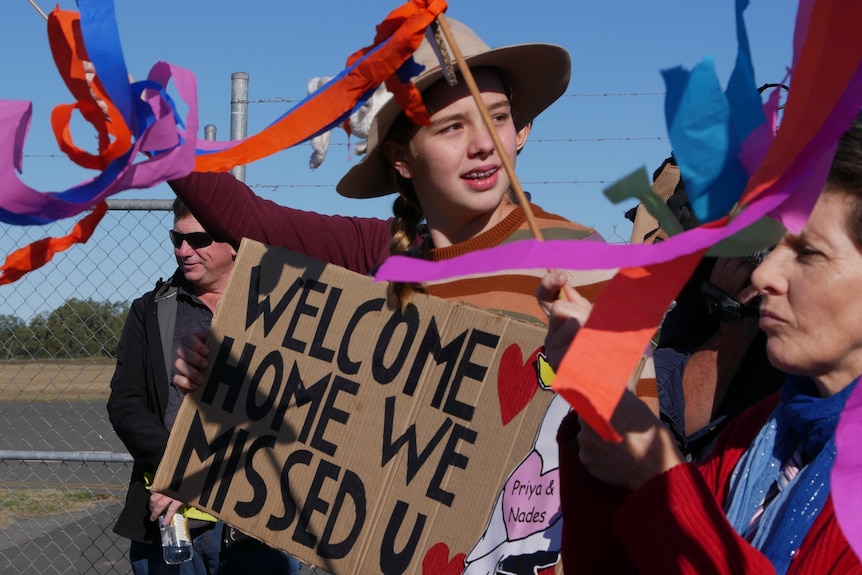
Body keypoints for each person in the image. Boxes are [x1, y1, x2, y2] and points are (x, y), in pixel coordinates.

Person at [170, 18, 603, 574]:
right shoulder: (380, 255)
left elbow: (640, 446)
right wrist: (234, 372)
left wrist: (597, 376)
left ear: (522, 129)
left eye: (498, 118)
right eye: (451, 127)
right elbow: (257, 223)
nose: (483, 145)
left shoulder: (582, 258)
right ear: (402, 159)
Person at [538, 114, 862, 574]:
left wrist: (656, 477)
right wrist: (600, 406)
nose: (765, 274)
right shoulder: (760, 432)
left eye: (808, 252)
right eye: (769, 248)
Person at [106, 199, 302, 574]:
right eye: (175, 239)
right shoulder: (150, 311)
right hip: (171, 516)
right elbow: (125, 403)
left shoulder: (281, 311)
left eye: (197, 239)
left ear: (234, 243)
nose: (183, 251)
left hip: (256, 517)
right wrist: (176, 468)